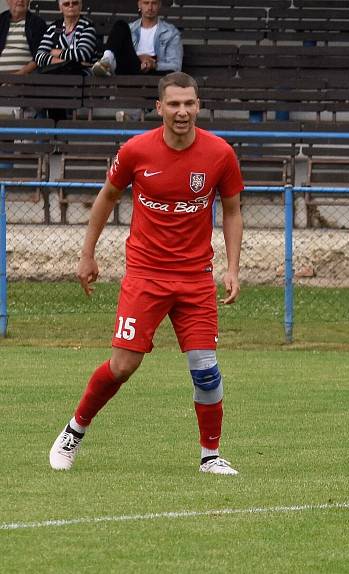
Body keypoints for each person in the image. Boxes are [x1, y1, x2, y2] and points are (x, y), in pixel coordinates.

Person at [49, 72, 244, 475]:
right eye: (173, 104)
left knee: (206, 371)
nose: (182, 111)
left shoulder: (220, 153)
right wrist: (87, 255)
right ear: (159, 108)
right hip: (145, 275)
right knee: (122, 367)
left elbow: (232, 210)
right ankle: (74, 430)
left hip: (194, 278)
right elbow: (106, 197)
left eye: (189, 103)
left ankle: (210, 456)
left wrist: (232, 268)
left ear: (198, 105)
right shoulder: (136, 151)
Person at [91, 0, 182, 77]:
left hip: (155, 70)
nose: (150, 8)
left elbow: (175, 66)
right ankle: (106, 60)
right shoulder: (130, 29)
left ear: (159, 5)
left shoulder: (171, 32)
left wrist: (153, 65)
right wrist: (139, 58)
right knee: (120, 25)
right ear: (139, 5)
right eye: (146, 3)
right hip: (131, 65)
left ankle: (108, 65)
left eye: (153, 3)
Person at [34, 0, 98, 75]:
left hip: (82, 78)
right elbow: (39, 57)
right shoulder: (53, 28)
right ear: (60, 8)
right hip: (56, 74)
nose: (71, 6)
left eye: (75, 3)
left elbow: (83, 54)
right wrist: (66, 63)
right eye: (66, 4)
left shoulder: (87, 26)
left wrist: (57, 52)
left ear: (80, 6)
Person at [0, 0, 46, 74]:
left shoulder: (37, 23)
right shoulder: (1, 20)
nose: (20, 1)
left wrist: (18, 76)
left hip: (24, 80)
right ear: (8, 1)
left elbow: (40, 56)